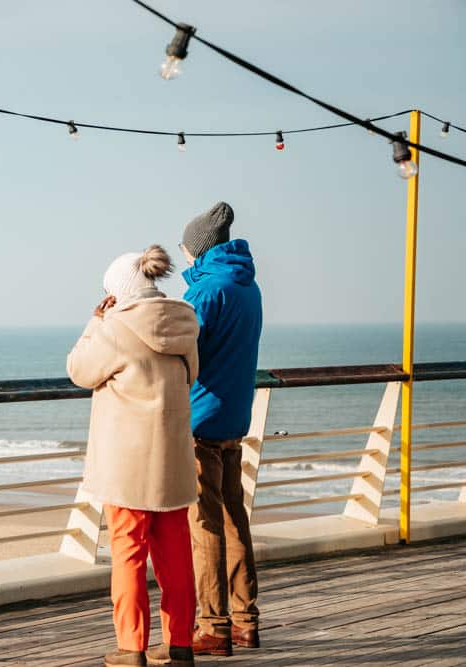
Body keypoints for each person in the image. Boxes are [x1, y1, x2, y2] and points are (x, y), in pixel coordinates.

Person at [67, 246, 200, 667]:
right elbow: (192, 375)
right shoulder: (183, 322)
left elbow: (79, 370)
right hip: (173, 460)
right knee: (176, 556)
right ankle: (180, 644)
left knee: (128, 554)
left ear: (117, 291)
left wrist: (95, 321)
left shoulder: (114, 328)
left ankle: (132, 647)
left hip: (127, 468)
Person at [178, 202, 263, 657]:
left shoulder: (207, 293)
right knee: (235, 516)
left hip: (201, 420)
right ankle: (247, 620)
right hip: (234, 418)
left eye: (187, 249)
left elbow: (180, 351)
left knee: (205, 522)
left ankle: (213, 625)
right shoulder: (249, 288)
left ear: (200, 249)